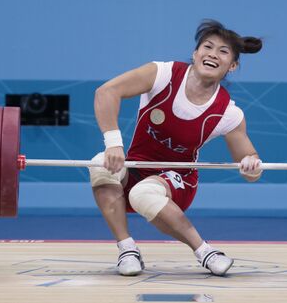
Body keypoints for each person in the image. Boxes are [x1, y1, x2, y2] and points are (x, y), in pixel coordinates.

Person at [89, 19, 263, 277]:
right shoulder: (162, 74)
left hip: (178, 178)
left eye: (223, 52)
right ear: (195, 53)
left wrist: (251, 166)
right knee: (99, 163)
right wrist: (113, 143)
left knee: (143, 194)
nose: (213, 54)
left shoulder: (228, 112)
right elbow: (106, 92)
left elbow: (251, 167)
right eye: (208, 46)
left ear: (233, 66)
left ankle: (205, 252)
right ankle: (127, 250)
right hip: (136, 168)